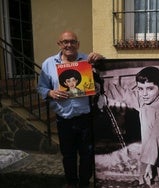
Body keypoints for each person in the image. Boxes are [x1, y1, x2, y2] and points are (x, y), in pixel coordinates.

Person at [37, 31, 104, 188]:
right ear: (59, 44)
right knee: (68, 156)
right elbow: (41, 87)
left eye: (73, 41)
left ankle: (84, 184)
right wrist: (50, 92)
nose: (69, 45)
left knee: (87, 155)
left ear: (78, 44)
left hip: (85, 118)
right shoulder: (48, 63)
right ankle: (72, 183)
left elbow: (105, 71)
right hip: (64, 119)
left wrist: (101, 59)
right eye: (65, 42)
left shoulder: (87, 61)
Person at [107, 66, 159, 188]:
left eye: (150, 88)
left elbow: (156, 137)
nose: (144, 94)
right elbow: (122, 93)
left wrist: (149, 164)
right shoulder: (144, 101)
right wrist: (96, 78)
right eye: (140, 89)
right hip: (152, 154)